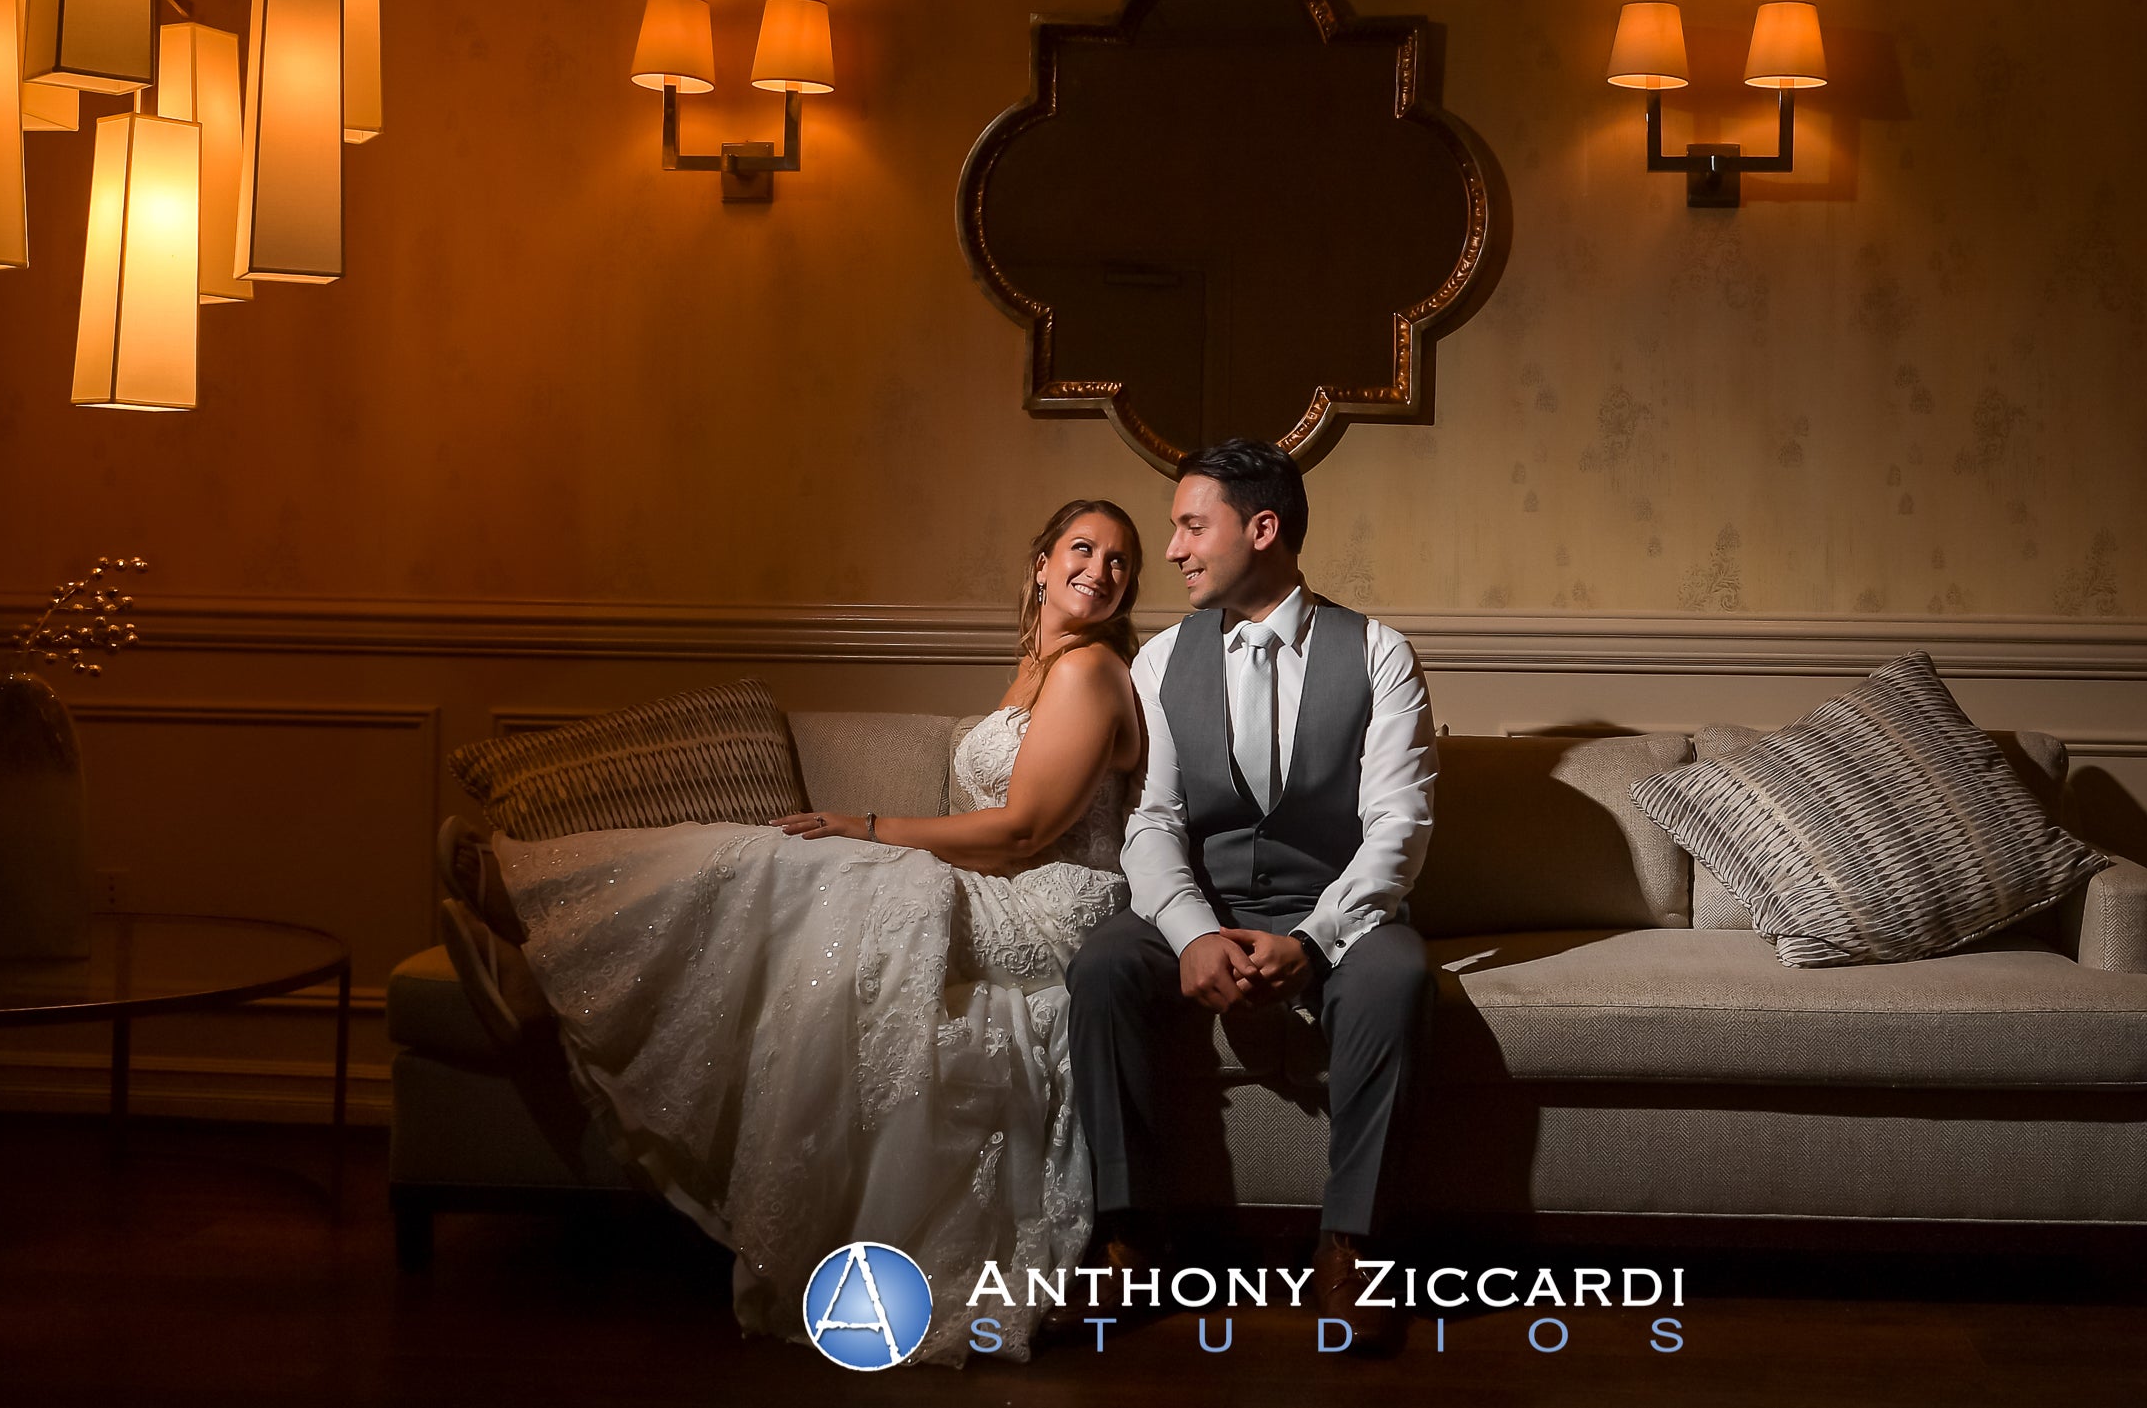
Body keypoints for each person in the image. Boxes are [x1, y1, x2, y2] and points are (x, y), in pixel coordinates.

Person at [434, 499, 1146, 1364]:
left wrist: (871, 824)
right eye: (1083, 548)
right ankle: (543, 947)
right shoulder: (1033, 672)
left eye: (1119, 560)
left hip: (1048, 905)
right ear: (1040, 564)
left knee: (786, 860)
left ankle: (530, 911)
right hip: (999, 883)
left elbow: (1022, 832)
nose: (1100, 569)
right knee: (784, 865)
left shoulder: (1088, 671)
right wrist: (876, 838)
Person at [1063, 440, 1439, 1352]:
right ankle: (1129, 1233)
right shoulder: (1157, 661)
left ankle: (1352, 1245)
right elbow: (1150, 823)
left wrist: (1313, 940)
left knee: (1398, 976)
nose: (1178, 549)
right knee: (1105, 963)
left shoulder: (1381, 652)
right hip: (1206, 897)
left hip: (1338, 910)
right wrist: (1192, 934)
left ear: (1261, 528)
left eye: (1193, 525)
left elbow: (1400, 826)